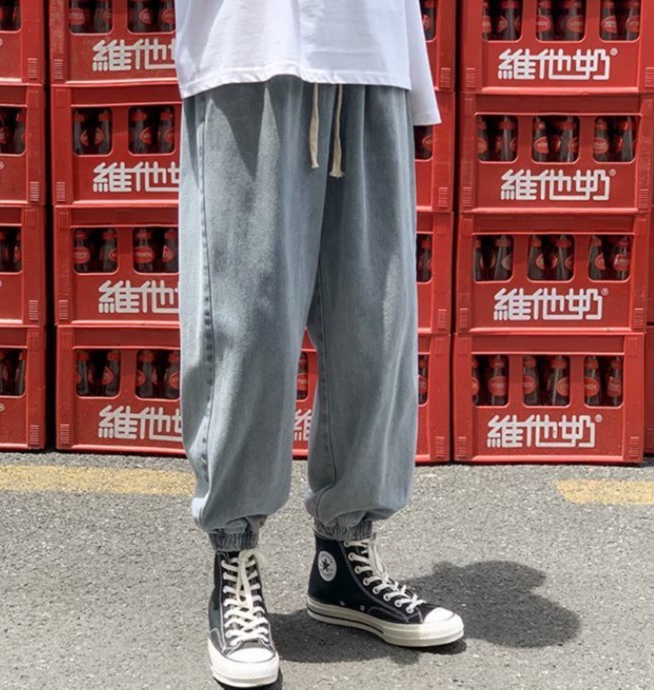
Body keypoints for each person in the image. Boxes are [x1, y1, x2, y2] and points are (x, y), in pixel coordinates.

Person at [174, 2, 464, 686]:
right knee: (249, 327)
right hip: (253, 48)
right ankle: (234, 557)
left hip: (372, 52)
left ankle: (344, 560)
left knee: (377, 327)